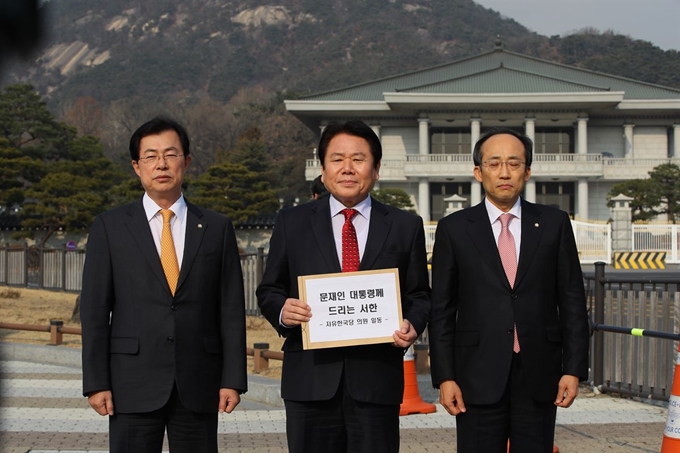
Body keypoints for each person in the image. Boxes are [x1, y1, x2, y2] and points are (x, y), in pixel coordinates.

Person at [256, 120, 430, 453]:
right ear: (323, 170)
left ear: (376, 169)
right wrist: (282, 310)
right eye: (337, 159)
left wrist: (413, 324)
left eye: (358, 159)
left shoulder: (405, 226)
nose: (347, 168)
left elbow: (419, 294)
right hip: (310, 383)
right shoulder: (291, 222)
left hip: (376, 382)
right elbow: (268, 290)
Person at [80, 116, 247, 453]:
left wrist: (233, 379)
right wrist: (96, 383)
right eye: (151, 156)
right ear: (136, 167)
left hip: (199, 380)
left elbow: (230, 308)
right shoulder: (110, 227)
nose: (161, 164)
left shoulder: (215, 227)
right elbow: (95, 311)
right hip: (131, 381)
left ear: (186, 162)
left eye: (170, 155)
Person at [428, 127, 590, 453]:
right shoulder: (455, 229)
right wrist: (445, 378)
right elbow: (442, 309)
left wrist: (574, 369)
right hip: (476, 374)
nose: (505, 172)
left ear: (527, 171)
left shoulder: (554, 223)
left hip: (540, 372)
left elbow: (571, 300)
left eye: (514, 164)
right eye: (494, 163)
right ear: (478, 171)